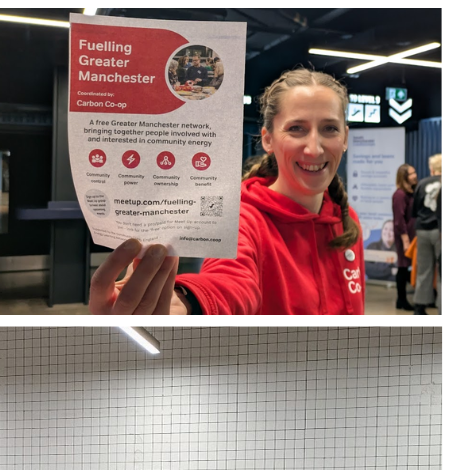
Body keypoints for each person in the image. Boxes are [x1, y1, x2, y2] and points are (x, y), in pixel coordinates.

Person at [90, 69, 364, 315]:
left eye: (329, 128)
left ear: (345, 138)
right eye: (296, 129)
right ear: (268, 139)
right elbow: (230, 282)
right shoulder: (241, 220)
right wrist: (188, 301)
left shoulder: (346, 219)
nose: (314, 148)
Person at [412, 154, 442, 315]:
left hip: (422, 230)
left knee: (424, 269)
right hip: (440, 231)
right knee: (443, 270)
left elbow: (414, 209)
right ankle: (442, 307)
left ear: (432, 168)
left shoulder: (422, 183)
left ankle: (419, 306)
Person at [392, 164, 418, 310]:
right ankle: (401, 300)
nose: (415, 175)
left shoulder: (411, 192)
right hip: (404, 237)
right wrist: (405, 240)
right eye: (411, 174)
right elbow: (399, 220)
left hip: (412, 235)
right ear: (404, 177)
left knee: (408, 267)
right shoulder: (399, 195)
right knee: (403, 267)